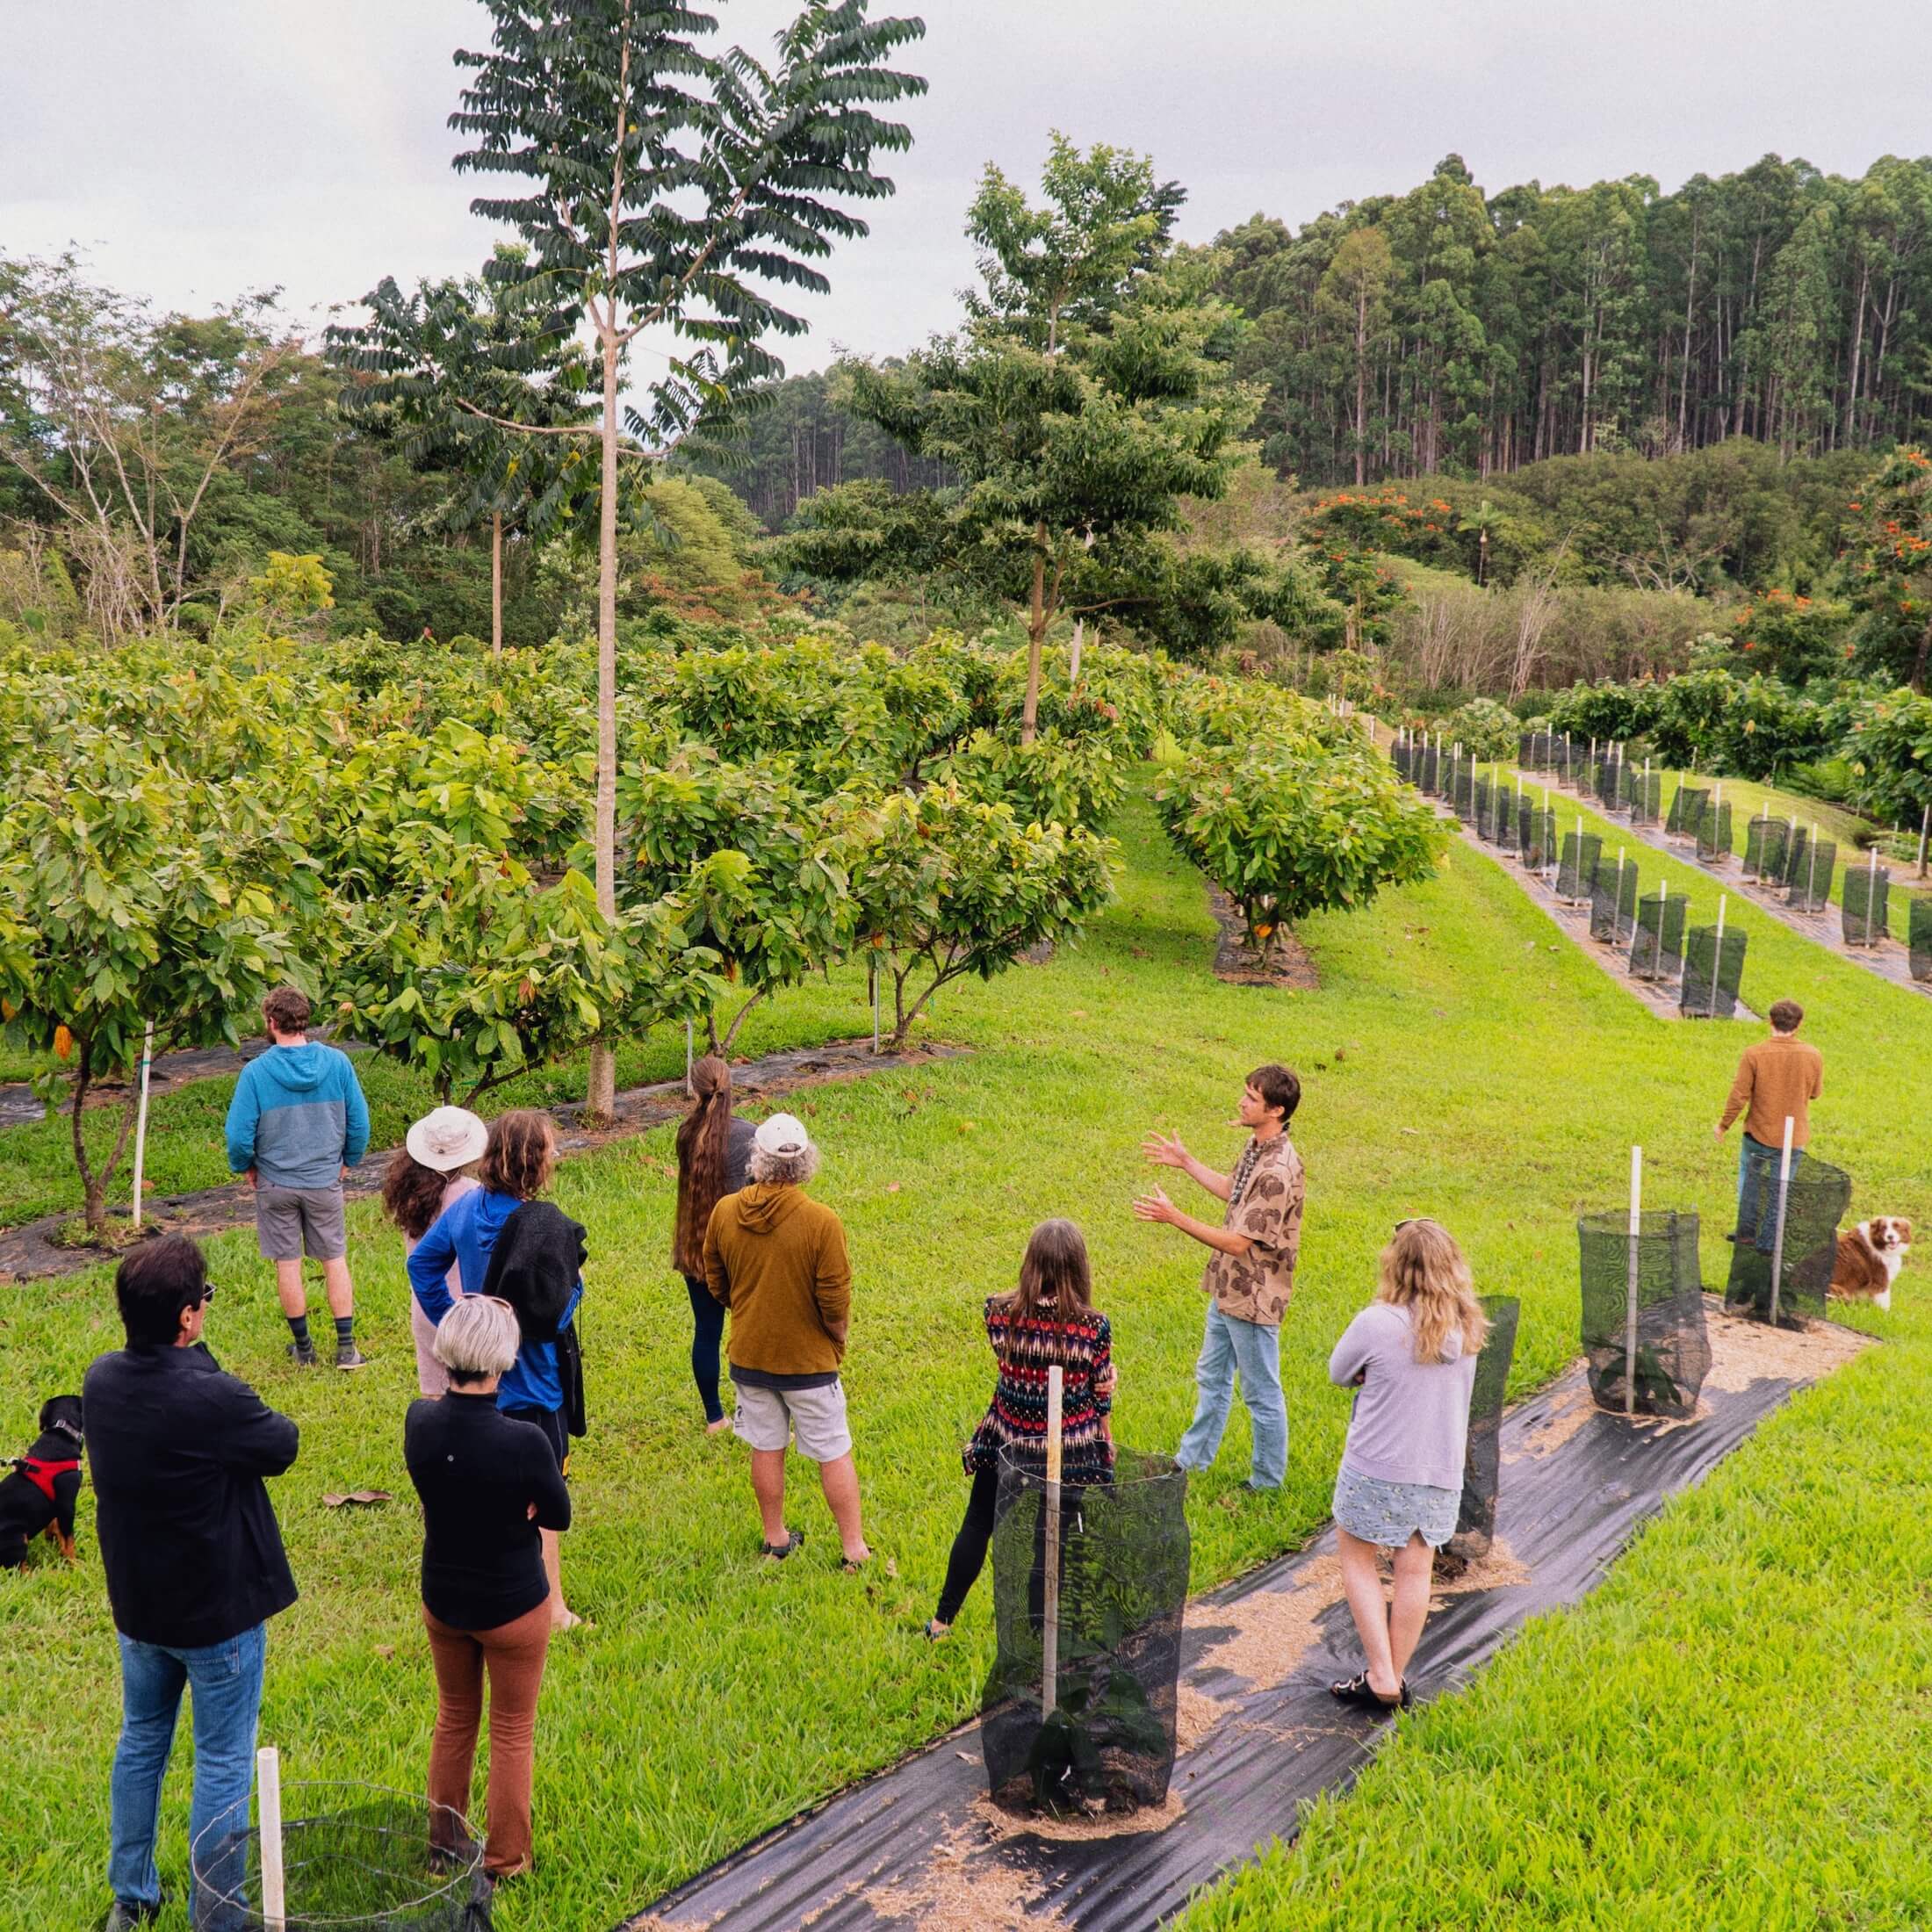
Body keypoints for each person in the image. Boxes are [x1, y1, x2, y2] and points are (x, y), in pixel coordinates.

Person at [84, 1236, 299, 1932]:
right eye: (203, 1298)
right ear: (186, 1317)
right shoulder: (213, 1396)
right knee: (222, 1760)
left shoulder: (100, 1380)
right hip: (217, 1615)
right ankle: (218, 1914)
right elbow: (283, 1443)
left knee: (141, 1741)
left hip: (139, 1608)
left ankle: (130, 1897)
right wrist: (206, 1370)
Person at [405, 1295, 571, 1884]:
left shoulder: (419, 1421)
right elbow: (559, 1512)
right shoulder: (524, 1442)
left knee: (454, 1718)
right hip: (512, 1605)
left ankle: (444, 1849)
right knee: (511, 1729)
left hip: (444, 1598)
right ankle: (506, 1860)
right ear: (502, 1361)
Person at [408, 1110, 585, 1630]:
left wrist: (458, 1321)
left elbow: (422, 1265)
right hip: (537, 1385)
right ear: (535, 1164)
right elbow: (558, 1314)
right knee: (545, 1495)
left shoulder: (466, 1210)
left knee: (485, 1486)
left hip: (483, 1383)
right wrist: (575, 1292)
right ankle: (553, 1607)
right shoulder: (545, 1224)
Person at [1325, 1218, 1486, 1712]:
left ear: (1396, 1265)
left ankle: (1380, 1674)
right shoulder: (1469, 1328)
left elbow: (1338, 1373)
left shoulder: (1377, 1322)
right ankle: (1392, 1675)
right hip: (1439, 1473)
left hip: (1374, 1468)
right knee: (1415, 1573)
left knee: (1358, 1560)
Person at [926, 1220, 1114, 1640]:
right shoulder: (1094, 1328)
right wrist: (1106, 1428)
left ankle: (941, 1621)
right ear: (1080, 1266)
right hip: (1067, 1449)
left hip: (1007, 1440)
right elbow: (1100, 1392)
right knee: (1050, 1541)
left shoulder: (998, 1313)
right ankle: (1038, 1633)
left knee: (978, 1524)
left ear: (1030, 1262)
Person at [704, 1112, 870, 1568]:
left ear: (757, 1158)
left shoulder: (724, 1212)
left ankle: (774, 1539)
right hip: (809, 1363)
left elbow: (715, 1280)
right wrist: (836, 1338)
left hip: (750, 1356)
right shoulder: (822, 1222)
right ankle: (854, 1549)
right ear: (804, 1162)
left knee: (766, 1446)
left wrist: (748, 1310)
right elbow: (835, 1300)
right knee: (832, 1449)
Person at [1135, 1063, 1305, 1492]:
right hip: (1229, 1289)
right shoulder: (1257, 1146)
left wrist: (1174, 1217)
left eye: (1252, 1098)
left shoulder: (1277, 1171)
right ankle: (1192, 1461)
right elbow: (1234, 1189)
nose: (1241, 1103)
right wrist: (1186, 1162)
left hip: (1253, 1298)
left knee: (1261, 1394)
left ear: (1276, 1110)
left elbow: (1237, 1242)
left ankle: (1266, 1483)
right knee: (1212, 1378)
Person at [223, 985, 371, 1369]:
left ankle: (304, 1350)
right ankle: (347, 1349)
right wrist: (348, 1160)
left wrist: (246, 1166)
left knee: (288, 1265)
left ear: (272, 1022)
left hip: (276, 1184)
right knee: (334, 1260)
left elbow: (238, 1136)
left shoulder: (256, 1073)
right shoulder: (338, 1063)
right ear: (305, 1020)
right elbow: (359, 1123)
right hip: (324, 1181)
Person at [672, 1056, 756, 1433]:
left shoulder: (685, 1134)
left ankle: (714, 1418)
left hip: (695, 1247)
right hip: (739, 1253)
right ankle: (750, 1415)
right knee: (747, 1334)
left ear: (695, 1091)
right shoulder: (749, 1136)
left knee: (706, 1332)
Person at [387, 1107, 489, 1397]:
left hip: (425, 1306)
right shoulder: (472, 1195)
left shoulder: (408, 1195)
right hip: (464, 1312)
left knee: (435, 1396)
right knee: (473, 1398)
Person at [1716, 998, 1823, 1250]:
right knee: (1780, 1188)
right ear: (1799, 1024)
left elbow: (1739, 1095)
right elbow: (1815, 1093)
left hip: (1758, 1134)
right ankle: (1769, 1241)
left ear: (1770, 1021)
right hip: (1793, 1138)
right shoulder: (1813, 1055)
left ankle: (1746, 1233)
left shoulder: (1754, 1054)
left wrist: (1723, 1125)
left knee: (1750, 1183)